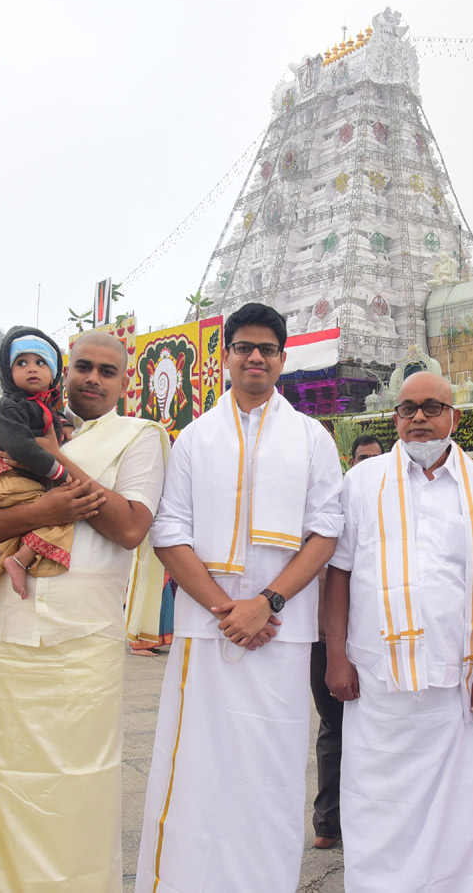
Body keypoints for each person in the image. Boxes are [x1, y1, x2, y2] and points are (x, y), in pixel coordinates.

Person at [0, 330, 170, 892]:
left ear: (125, 383)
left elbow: (128, 527)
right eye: (83, 368)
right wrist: (49, 504)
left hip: (84, 647)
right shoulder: (18, 426)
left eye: (106, 371)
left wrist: (52, 462)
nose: (92, 378)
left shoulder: (138, 437)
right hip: (9, 637)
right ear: (62, 372)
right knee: (3, 781)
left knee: (79, 788)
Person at [135, 303, 343, 893]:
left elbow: (326, 530)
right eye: (245, 347)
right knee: (199, 772)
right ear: (225, 356)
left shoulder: (311, 438)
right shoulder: (195, 438)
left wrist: (268, 604)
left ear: (282, 359)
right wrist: (226, 609)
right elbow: (168, 530)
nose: (256, 357)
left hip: (281, 639)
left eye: (268, 349)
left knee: (270, 778)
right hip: (208, 634)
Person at [325, 374, 473, 892]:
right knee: (375, 810)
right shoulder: (362, 484)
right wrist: (337, 658)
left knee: (454, 816)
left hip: (457, 688)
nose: (418, 418)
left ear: (454, 418)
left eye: (432, 408)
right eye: (407, 409)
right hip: (377, 685)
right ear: (395, 418)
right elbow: (339, 573)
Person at [0, 327, 73, 616]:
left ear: (55, 372)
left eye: (40, 362)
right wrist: (58, 470)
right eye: (22, 363)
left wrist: (63, 425)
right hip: (12, 480)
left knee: (15, 532)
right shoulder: (10, 407)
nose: (31, 369)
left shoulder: (39, 407)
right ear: (9, 373)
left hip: (20, 481)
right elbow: (20, 446)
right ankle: (20, 561)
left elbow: (48, 423)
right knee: (63, 515)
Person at [311, 433, 384, 850]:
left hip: (377, 637)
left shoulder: (392, 503)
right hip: (327, 637)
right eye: (360, 459)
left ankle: (366, 819)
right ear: (348, 462)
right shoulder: (332, 501)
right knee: (334, 726)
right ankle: (327, 822)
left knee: (373, 730)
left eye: (376, 459)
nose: (367, 466)